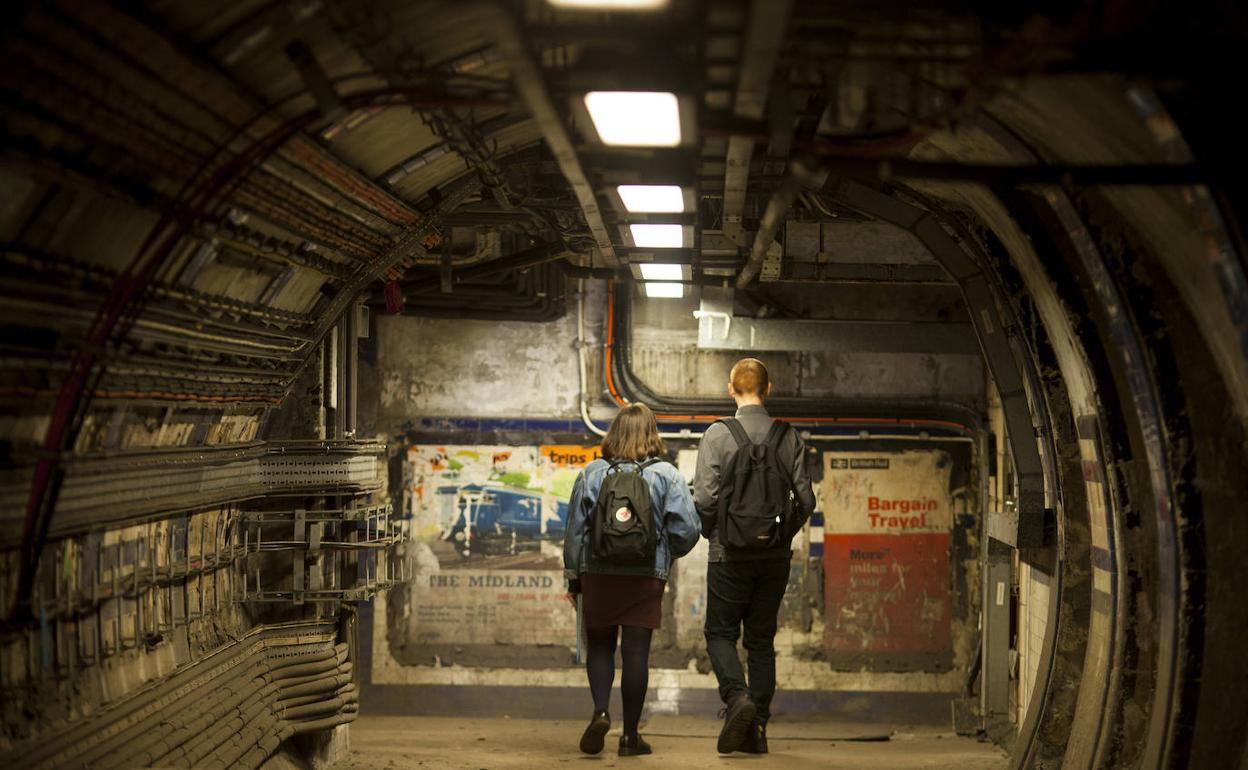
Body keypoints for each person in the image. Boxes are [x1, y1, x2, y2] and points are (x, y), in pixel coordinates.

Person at [693, 358, 817, 754]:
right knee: (761, 640)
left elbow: (705, 498)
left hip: (727, 554)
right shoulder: (788, 436)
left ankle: (736, 698)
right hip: (774, 558)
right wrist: (780, 536)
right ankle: (757, 728)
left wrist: (718, 534)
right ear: (769, 388)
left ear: (731, 389)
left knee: (721, 633)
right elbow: (806, 499)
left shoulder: (718, 434)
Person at [563, 402, 701, 757]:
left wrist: (574, 579)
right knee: (636, 652)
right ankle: (630, 737)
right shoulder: (666, 474)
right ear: (651, 434)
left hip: (598, 573)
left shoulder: (591, 473)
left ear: (614, 433)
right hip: (644, 575)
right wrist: (664, 554)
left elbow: (575, 533)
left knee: (601, 646)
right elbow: (687, 529)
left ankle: (600, 711)